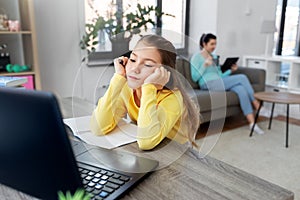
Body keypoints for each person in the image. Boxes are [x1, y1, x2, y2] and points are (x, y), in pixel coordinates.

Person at [90, 35, 200, 150]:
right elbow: (98, 128)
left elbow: (146, 143)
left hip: (175, 153)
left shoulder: (172, 98)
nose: (134, 69)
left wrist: (149, 87)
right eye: (132, 60)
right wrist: (118, 78)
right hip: (151, 153)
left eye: (147, 65)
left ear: (163, 72)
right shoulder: (127, 89)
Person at [190, 33, 268, 134]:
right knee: (242, 78)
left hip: (218, 82)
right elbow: (194, 77)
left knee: (241, 89)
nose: (214, 46)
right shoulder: (196, 57)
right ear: (204, 44)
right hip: (207, 84)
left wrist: (231, 71)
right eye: (212, 44)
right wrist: (205, 65)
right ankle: (257, 105)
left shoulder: (214, 57)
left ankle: (252, 123)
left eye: (215, 44)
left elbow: (220, 76)